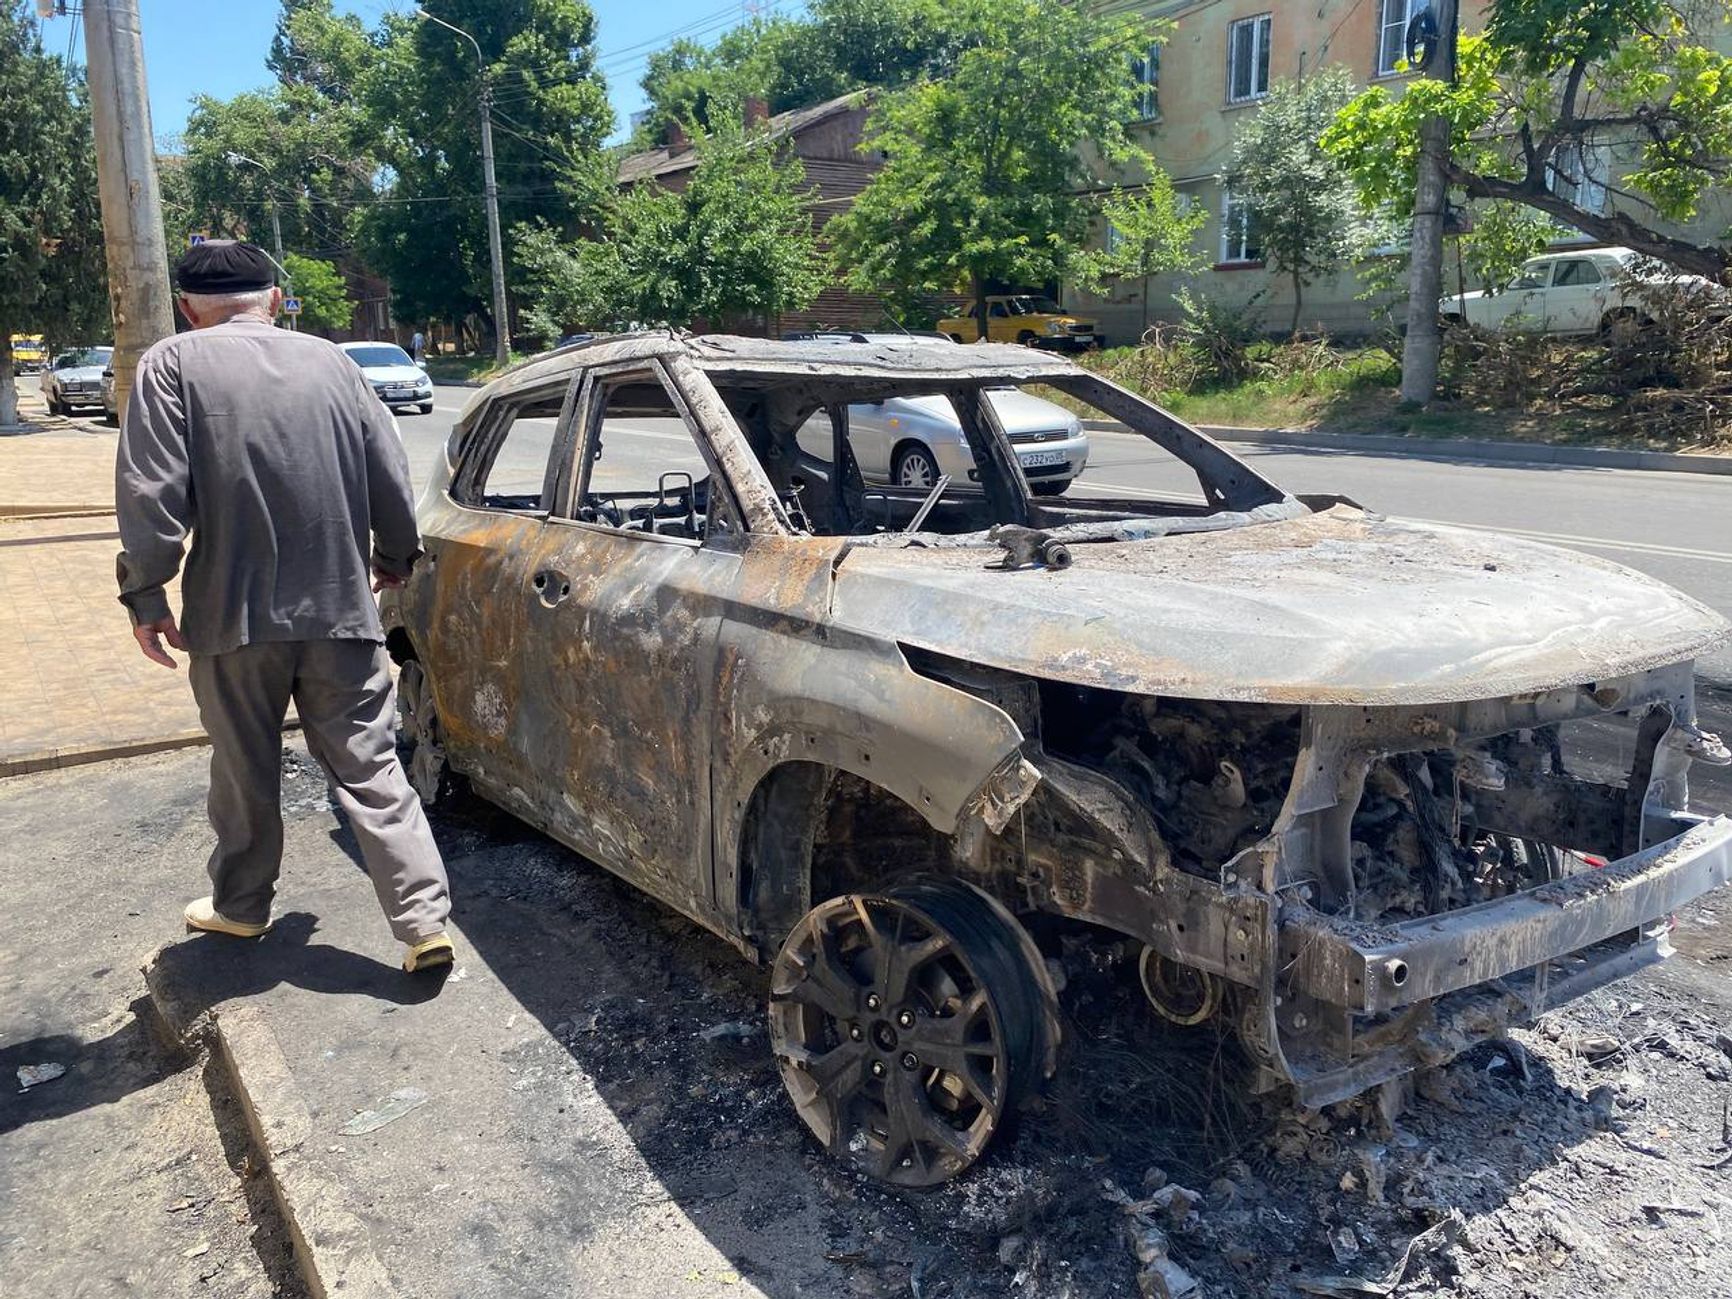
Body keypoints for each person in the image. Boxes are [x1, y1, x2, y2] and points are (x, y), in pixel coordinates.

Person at [114, 240, 455, 974]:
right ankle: (423, 922)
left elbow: (152, 494)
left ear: (187, 307)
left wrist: (146, 593)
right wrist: (394, 560)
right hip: (340, 608)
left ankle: (241, 908)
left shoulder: (171, 365)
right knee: (371, 767)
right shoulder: (334, 363)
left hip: (230, 617)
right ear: (273, 299)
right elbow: (389, 474)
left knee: (243, 765)